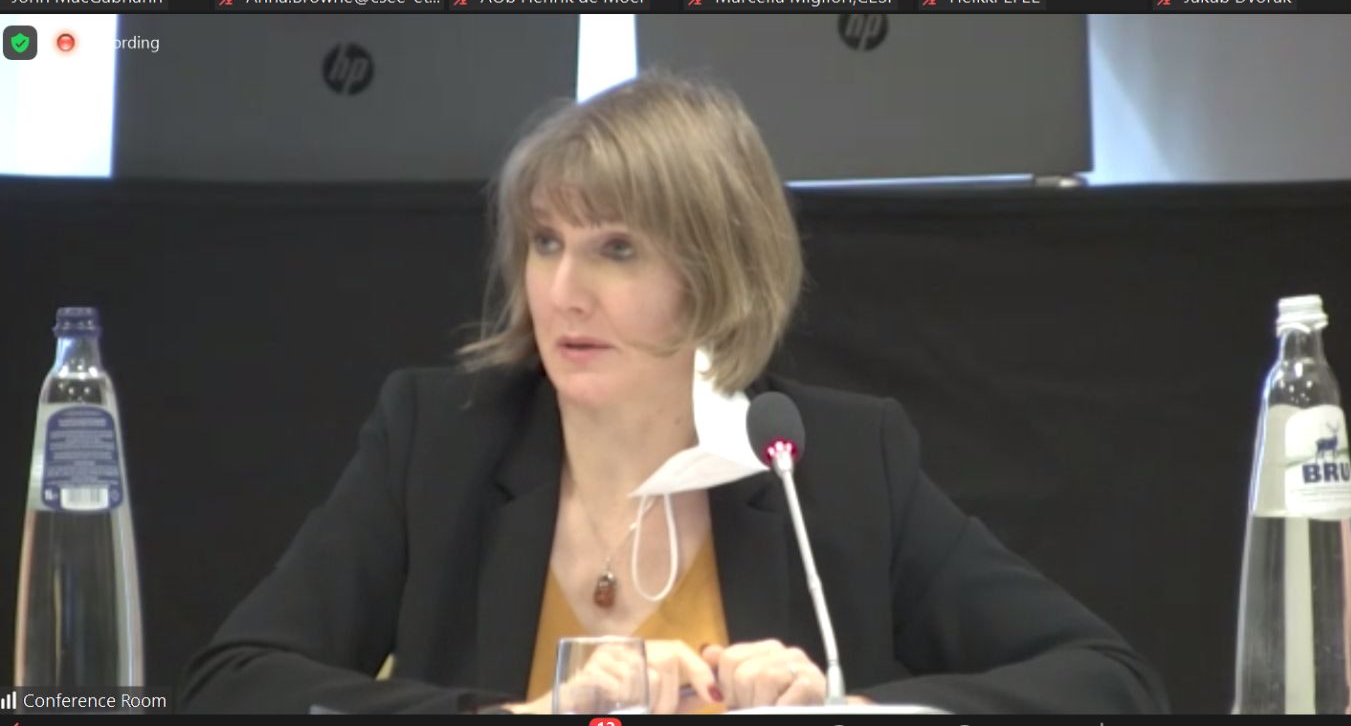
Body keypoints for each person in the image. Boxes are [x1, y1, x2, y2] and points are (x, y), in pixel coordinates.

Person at [178, 71, 1170, 715]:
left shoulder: (831, 461)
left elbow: (1108, 681)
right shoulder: (437, 440)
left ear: (714, 271)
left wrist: (854, 714)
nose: (564, 291)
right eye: (546, 243)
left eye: (617, 248)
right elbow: (232, 684)